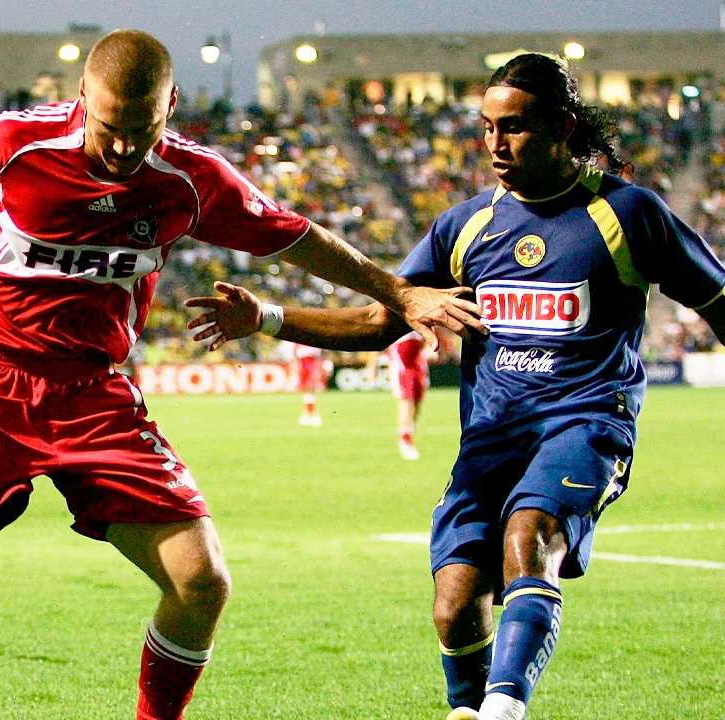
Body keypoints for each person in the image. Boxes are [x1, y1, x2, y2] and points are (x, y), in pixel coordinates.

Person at [0, 29, 481, 720]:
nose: (123, 149)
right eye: (110, 129)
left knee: (202, 581)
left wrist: (399, 289)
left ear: (169, 107)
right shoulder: (17, 141)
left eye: (142, 130)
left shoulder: (189, 179)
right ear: (82, 98)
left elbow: (294, 237)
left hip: (97, 396)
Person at [184, 52, 725, 720]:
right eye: (487, 127)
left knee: (532, 535)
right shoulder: (465, 226)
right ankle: (469, 710)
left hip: (585, 422)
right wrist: (265, 318)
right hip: (492, 439)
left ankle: (503, 712)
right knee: (454, 608)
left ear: (562, 127)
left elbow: (719, 302)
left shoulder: (628, 214)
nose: (496, 144)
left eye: (516, 127)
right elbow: (382, 322)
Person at [385, 331, 428, 459]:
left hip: (417, 364)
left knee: (417, 402)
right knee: (406, 402)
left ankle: (409, 432)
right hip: (401, 365)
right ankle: (405, 440)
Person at [285, 342, 326, 426]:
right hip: (303, 363)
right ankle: (309, 414)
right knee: (307, 389)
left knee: (310, 389)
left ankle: (312, 414)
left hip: (311, 362)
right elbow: (294, 352)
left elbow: (319, 353)